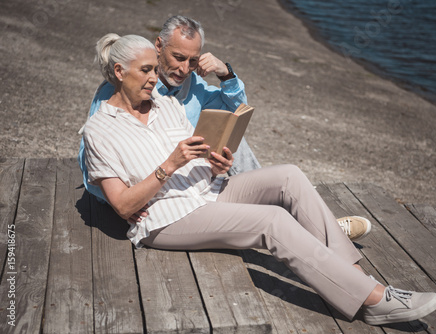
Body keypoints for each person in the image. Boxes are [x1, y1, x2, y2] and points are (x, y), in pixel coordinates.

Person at [82, 33, 436, 326]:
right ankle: (374, 300)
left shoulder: (163, 104)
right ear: (118, 71)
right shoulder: (100, 130)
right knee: (272, 221)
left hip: (208, 190)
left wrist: (216, 163)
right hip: (167, 217)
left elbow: (198, 155)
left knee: (289, 175)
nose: (153, 77)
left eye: (153, 70)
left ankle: (354, 279)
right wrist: (169, 165)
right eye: (146, 70)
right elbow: (124, 204)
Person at [78, 15, 372, 241]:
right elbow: (90, 154)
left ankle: (314, 225)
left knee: (237, 142)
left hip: (197, 175)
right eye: (177, 58)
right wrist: (124, 204)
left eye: (192, 61)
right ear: (158, 46)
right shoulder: (122, 89)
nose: (184, 69)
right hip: (152, 194)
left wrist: (226, 74)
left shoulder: (192, 85)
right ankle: (311, 226)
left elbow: (235, 111)